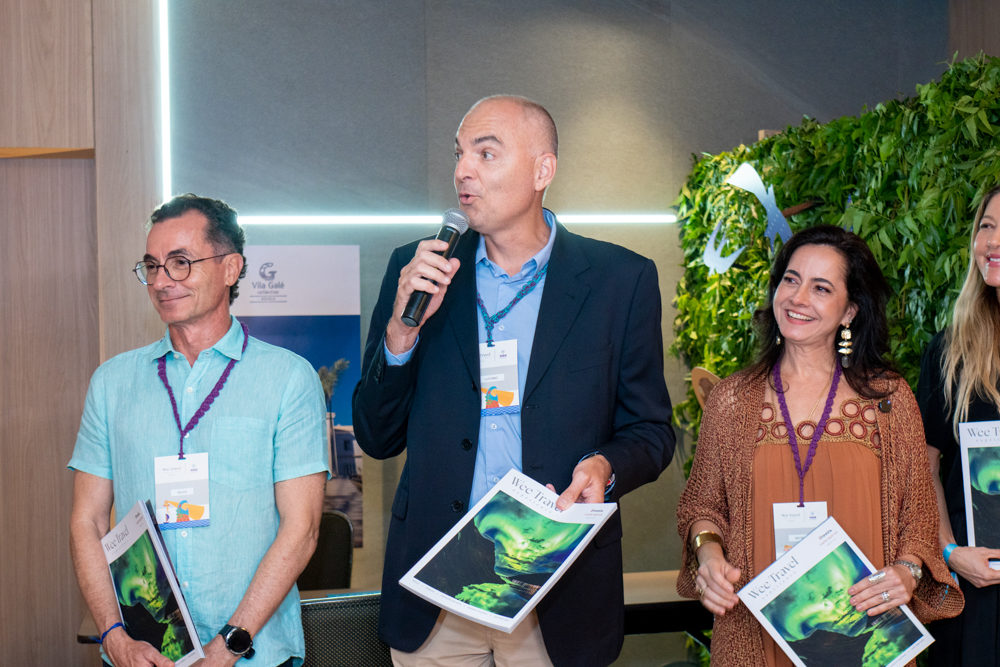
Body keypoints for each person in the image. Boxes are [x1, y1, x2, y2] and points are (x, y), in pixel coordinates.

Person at [352, 95, 675, 667]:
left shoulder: (618, 280)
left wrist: (604, 466)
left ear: (542, 170)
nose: (462, 171)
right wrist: (401, 336)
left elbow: (650, 431)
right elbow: (377, 436)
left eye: (486, 152)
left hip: (556, 592)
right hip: (439, 595)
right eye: (458, 154)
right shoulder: (420, 270)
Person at [676, 225, 962, 667]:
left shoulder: (888, 401)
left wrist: (908, 572)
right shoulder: (732, 400)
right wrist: (708, 553)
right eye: (790, 279)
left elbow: (919, 514)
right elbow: (704, 505)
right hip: (755, 633)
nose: (797, 297)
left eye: (820, 287)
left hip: (864, 634)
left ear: (849, 310)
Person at [68, 195, 329, 667]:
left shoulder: (288, 378)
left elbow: (303, 528)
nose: (162, 281)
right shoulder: (111, 382)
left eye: (180, 263)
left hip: (254, 654)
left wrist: (231, 641)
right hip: (143, 655)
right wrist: (112, 635)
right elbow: (87, 520)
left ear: (231, 268)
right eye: (151, 266)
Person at [919, 184, 1000, 666]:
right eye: (986, 227)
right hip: (975, 586)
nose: (992, 241)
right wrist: (949, 554)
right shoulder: (951, 352)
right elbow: (924, 469)